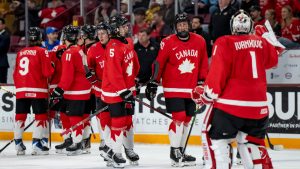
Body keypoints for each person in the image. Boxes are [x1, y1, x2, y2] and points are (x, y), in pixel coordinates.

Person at [191, 10, 278, 169]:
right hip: (259, 108)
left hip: (231, 107)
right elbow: (273, 60)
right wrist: (268, 38)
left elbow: (218, 73)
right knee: (251, 142)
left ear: (233, 26)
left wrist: (206, 94)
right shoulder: (261, 42)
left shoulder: (225, 41)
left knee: (213, 137)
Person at [146, 13, 209, 167]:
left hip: (192, 88)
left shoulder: (199, 40)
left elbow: (203, 62)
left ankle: (181, 150)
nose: (182, 27)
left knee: (187, 120)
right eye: (179, 25)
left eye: (184, 24)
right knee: (179, 117)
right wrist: (154, 81)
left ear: (189, 25)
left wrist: (202, 81)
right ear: (175, 27)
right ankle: (174, 151)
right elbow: (159, 63)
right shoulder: (167, 42)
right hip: (173, 87)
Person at [101, 15, 140, 168]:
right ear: (116, 29)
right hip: (115, 92)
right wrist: (123, 90)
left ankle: (128, 150)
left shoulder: (128, 42)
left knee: (128, 121)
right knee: (118, 121)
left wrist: (134, 79)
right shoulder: (112, 47)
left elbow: (134, 63)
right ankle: (115, 153)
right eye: (123, 26)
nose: (126, 28)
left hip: (127, 89)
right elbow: (113, 72)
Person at [50, 25, 91, 156]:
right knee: (66, 114)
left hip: (76, 90)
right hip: (79, 89)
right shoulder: (77, 50)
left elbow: (67, 77)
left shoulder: (69, 53)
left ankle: (78, 143)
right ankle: (71, 140)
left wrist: (58, 90)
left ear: (66, 37)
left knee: (74, 116)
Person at [13, 27, 54, 155]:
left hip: (21, 89)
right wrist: (52, 66)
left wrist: (21, 87)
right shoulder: (43, 51)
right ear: (40, 38)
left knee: (20, 116)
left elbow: (15, 74)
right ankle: (36, 144)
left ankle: (18, 144)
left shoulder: (21, 52)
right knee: (40, 116)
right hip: (38, 89)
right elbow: (47, 72)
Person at [86, 21, 112, 166]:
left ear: (109, 33)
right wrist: (93, 80)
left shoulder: (115, 46)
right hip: (100, 90)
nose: (101, 36)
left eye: (103, 33)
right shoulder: (93, 49)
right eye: (99, 34)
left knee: (117, 119)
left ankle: (115, 144)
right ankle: (105, 140)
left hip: (115, 91)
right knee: (103, 117)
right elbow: (89, 69)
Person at [0, 18, 10, 83]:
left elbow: (1, 47)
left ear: (4, 25)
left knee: (2, 83)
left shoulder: (6, 35)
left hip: (1, 63)